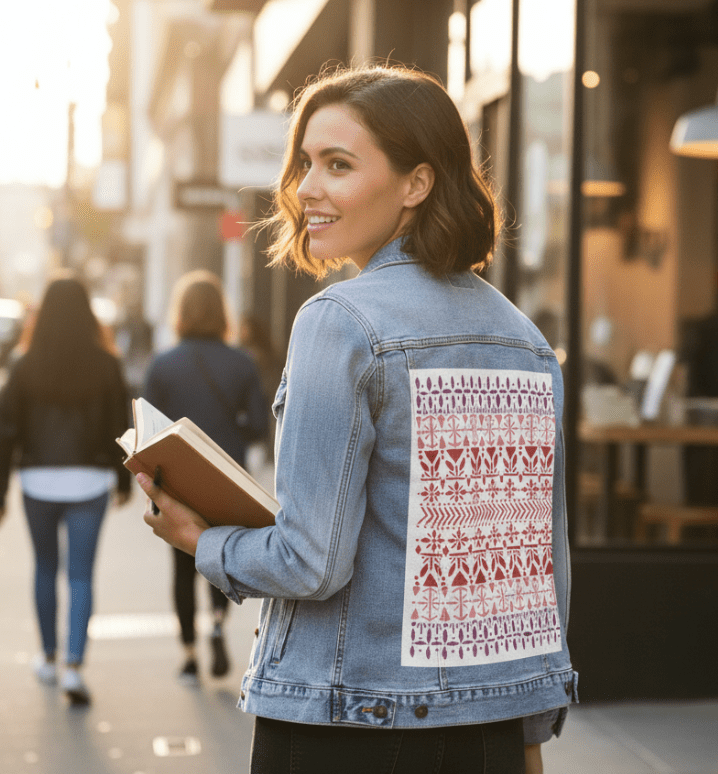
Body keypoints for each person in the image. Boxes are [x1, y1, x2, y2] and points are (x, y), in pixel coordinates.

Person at [138, 65, 577, 773]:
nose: (306, 186)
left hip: (349, 726)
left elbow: (310, 562)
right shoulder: (523, 339)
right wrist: (527, 730)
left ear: (417, 183)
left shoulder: (341, 322)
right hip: (490, 728)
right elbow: (537, 574)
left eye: (337, 164)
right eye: (305, 162)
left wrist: (201, 540)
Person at [0, 272, 131, 706]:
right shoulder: (106, 363)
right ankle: (74, 666)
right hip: (89, 480)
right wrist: (124, 478)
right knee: (80, 575)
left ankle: (47, 657)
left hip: (37, 479)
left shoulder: (23, 363)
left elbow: (6, 432)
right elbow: (121, 426)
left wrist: (1, 490)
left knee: (44, 569)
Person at [143, 270, 268, 684]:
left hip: (176, 481)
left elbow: (148, 432)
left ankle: (189, 654)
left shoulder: (162, 364)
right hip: (225, 478)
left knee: (181, 567)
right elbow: (256, 428)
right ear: (221, 312)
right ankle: (216, 621)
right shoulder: (242, 362)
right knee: (219, 553)